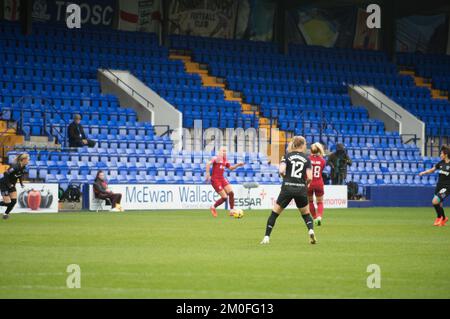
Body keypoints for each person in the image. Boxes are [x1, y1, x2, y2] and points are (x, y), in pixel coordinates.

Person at [260, 136, 317, 245]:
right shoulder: (307, 159)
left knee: (274, 213)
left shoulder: (286, 156)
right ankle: (311, 230)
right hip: (300, 188)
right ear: (303, 145)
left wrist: (286, 177)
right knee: (305, 214)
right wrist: (306, 185)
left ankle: (266, 237)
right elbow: (310, 177)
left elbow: (281, 170)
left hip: (287, 188)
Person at [205, 147, 244, 217]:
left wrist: (238, 165)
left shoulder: (225, 160)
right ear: (219, 152)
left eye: (225, 151)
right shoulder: (216, 159)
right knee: (225, 197)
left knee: (231, 193)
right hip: (215, 180)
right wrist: (208, 174)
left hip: (222, 178)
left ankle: (232, 210)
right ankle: (213, 207)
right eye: (223, 151)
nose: (224, 152)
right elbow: (208, 163)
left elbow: (230, 168)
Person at [418, 145, 450, 226]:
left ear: (446, 154)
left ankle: (439, 217)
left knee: (435, 201)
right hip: (439, 186)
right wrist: (423, 173)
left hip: (447, 187)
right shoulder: (441, 163)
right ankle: (443, 219)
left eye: (441, 153)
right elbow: (432, 170)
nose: (440, 155)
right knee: (439, 204)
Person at [0, 153, 29, 220]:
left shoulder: (23, 167)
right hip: (4, 183)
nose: (28, 161)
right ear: (23, 160)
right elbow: (5, 173)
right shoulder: (15, 166)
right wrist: (9, 184)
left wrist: (21, 183)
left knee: (13, 201)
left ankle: (6, 214)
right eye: (27, 159)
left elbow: (20, 175)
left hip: (11, 185)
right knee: (7, 203)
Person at [308, 142, 326, 226]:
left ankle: (314, 218)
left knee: (310, 201)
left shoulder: (307, 159)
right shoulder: (322, 161)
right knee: (320, 202)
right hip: (319, 183)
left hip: (309, 183)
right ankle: (319, 217)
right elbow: (321, 170)